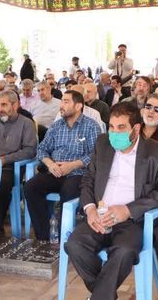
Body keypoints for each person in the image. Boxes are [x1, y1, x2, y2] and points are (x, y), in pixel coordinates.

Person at [64, 101, 158, 300]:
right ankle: (105, 294)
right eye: (111, 127)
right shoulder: (103, 144)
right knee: (74, 245)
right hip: (99, 216)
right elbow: (88, 179)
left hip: (132, 222)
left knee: (124, 252)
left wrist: (128, 210)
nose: (114, 133)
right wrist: (89, 209)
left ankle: (99, 296)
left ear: (136, 129)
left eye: (121, 127)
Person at [24, 90, 101, 240]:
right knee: (30, 187)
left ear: (78, 106)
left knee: (69, 191)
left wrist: (72, 165)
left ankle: (62, 237)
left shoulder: (91, 126)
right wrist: (50, 164)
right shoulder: (56, 126)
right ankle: (44, 236)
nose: (61, 105)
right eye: (62, 101)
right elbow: (42, 149)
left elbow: (95, 155)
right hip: (55, 171)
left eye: (66, 102)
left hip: (78, 173)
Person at [0, 90, 37, 236]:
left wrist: (5, 159)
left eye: (4, 105)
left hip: (11, 166)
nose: (0, 109)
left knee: (2, 182)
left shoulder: (26, 124)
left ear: (16, 105)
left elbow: (30, 151)